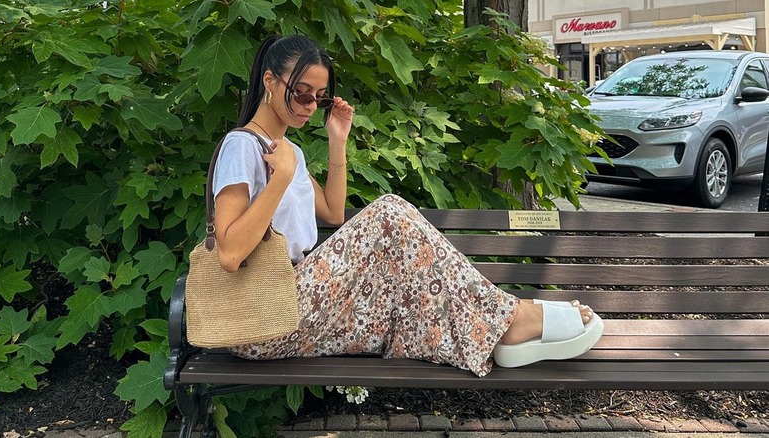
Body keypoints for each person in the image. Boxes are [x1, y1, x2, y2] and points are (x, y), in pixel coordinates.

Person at [212, 34, 603, 377]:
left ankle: (497, 325)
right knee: (389, 214)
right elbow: (229, 254)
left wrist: (337, 140)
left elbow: (332, 213)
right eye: (301, 93)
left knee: (403, 279)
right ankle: (511, 318)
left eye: (320, 97)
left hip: (295, 306)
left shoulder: (289, 151)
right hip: (260, 315)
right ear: (269, 80)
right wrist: (279, 179)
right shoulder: (242, 146)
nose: (311, 106)